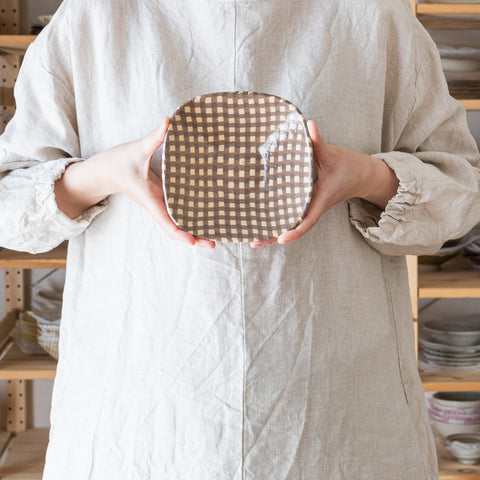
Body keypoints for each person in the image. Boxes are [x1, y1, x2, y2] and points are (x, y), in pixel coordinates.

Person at [0, 0, 479, 478]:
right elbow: (10, 205)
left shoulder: (373, 16)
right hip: (142, 413)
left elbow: (460, 195)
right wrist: (103, 173)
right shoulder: (96, 17)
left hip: (335, 412)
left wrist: (367, 177)